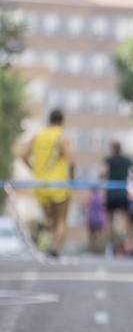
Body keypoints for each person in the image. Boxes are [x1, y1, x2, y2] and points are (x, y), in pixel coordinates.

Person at [20, 109, 74, 257]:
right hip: (58, 185)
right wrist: (72, 179)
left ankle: (40, 230)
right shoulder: (61, 137)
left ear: (49, 120)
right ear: (62, 121)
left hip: (40, 185)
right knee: (61, 219)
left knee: (49, 218)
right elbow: (70, 160)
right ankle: (55, 249)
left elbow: (23, 155)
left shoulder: (38, 136)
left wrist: (34, 170)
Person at [103, 141, 133, 255]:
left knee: (110, 221)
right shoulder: (127, 161)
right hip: (123, 193)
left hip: (111, 194)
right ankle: (125, 242)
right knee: (125, 220)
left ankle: (111, 245)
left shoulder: (108, 161)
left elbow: (101, 173)